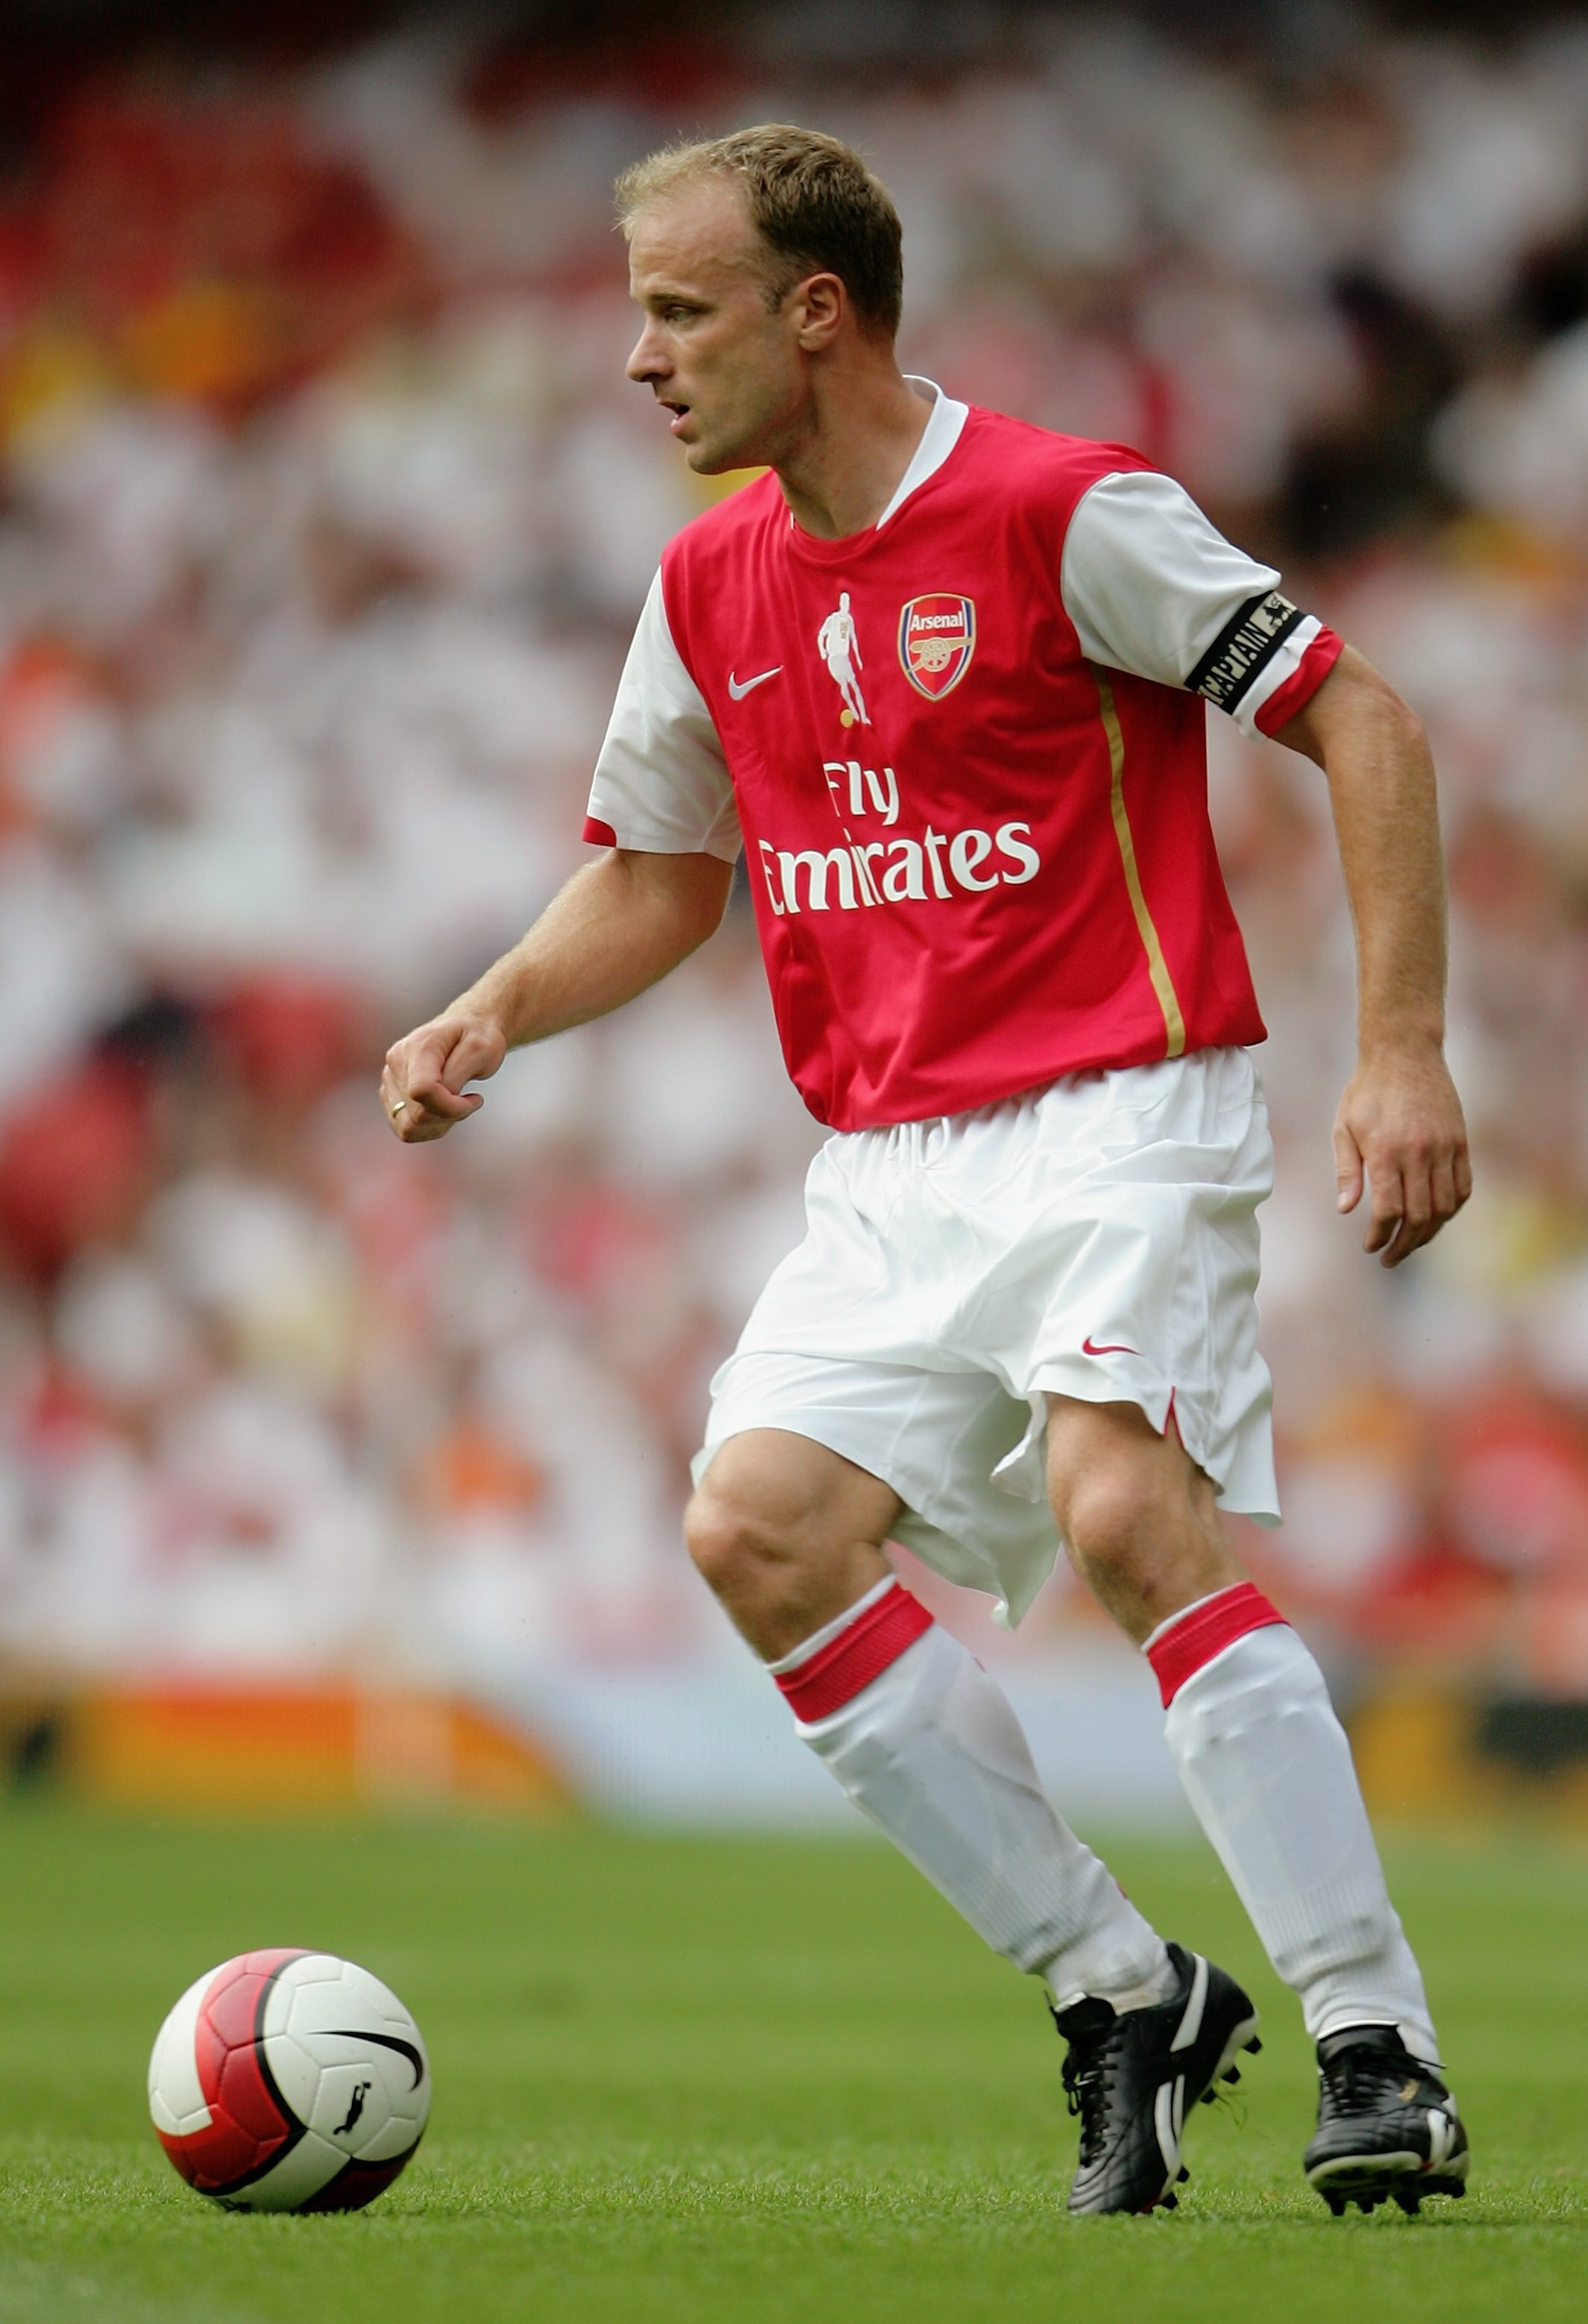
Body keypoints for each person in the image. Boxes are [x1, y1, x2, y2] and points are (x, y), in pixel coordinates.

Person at [382, 125, 1472, 2220]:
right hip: (889, 1155)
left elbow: (1367, 721)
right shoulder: (708, 580)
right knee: (758, 1532)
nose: (640, 359)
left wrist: (1401, 1044)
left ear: (816, 313)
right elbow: (662, 874)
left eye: (679, 310)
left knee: (1118, 1497)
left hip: (1120, 1105)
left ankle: (1372, 2038)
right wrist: (494, 1007)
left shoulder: (1063, 510)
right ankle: (1116, 1984)